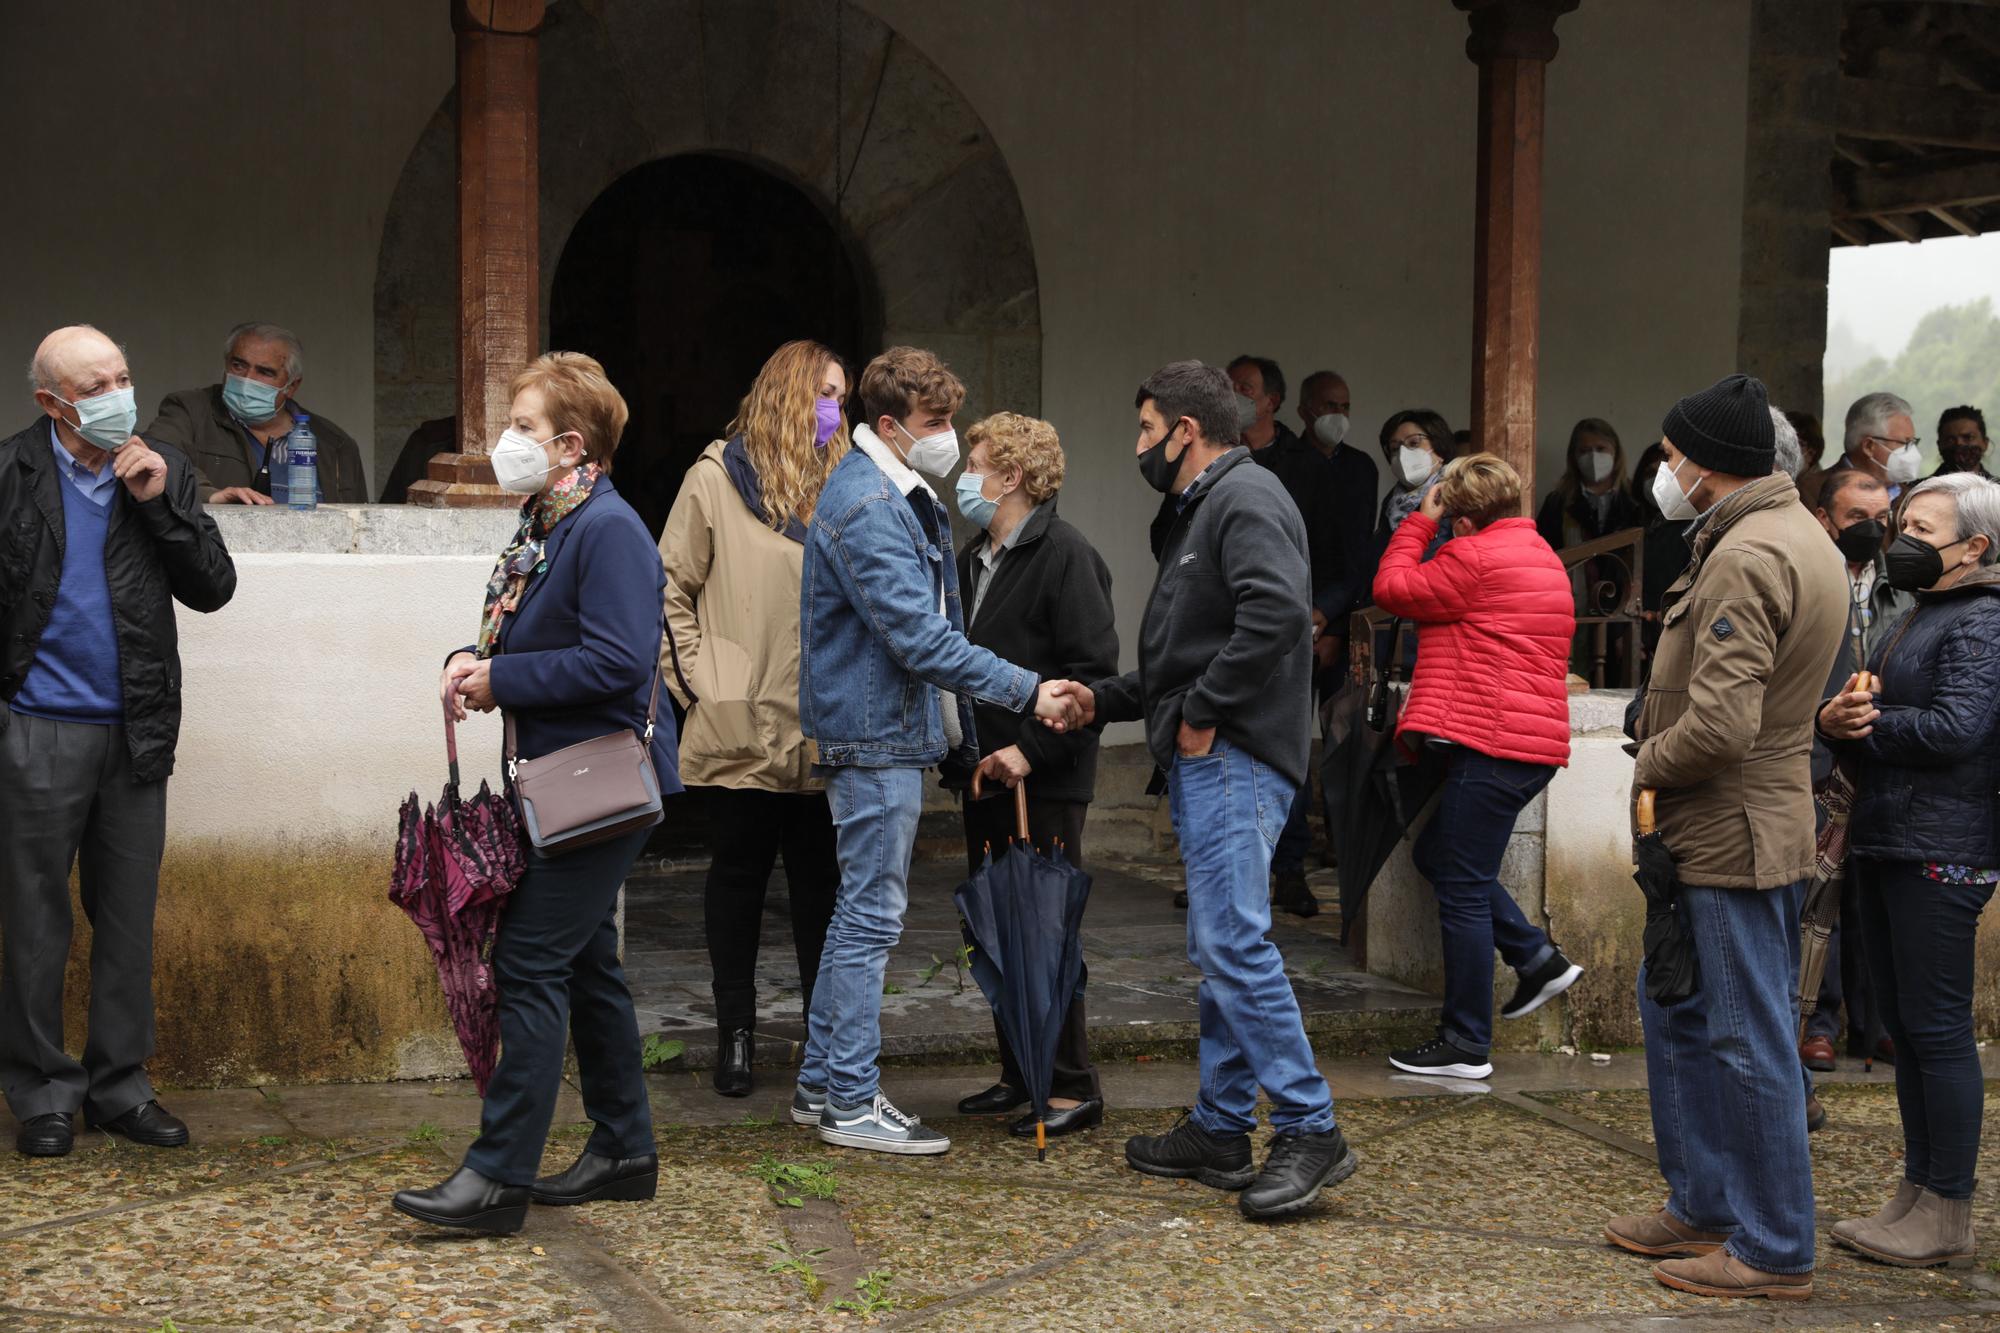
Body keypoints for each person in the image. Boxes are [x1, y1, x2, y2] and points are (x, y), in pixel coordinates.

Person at [1048, 360, 1356, 1221]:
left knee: (1232, 944)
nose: (1140, 444)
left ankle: (1310, 1124)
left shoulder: (1244, 498)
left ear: (1187, 429)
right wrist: (1101, 700)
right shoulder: (1207, 508)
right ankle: (1222, 1128)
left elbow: (1274, 617)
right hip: (1220, 753)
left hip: (1236, 755)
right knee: (1224, 946)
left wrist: (1206, 711)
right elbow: (1185, 660)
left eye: (1148, 429)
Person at [395, 352, 681, 1233]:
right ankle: (625, 1149)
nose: (504, 440)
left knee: (527, 960)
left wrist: (502, 679)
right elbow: (527, 632)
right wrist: (469, 659)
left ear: (568, 443)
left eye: (520, 426)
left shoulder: (608, 529)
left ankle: (497, 1176)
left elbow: (618, 661)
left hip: (598, 780)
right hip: (560, 779)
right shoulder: (548, 524)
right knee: (586, 960)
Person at [793, 346, 1077, 1157]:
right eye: (935, 423)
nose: (948, 436)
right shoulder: (871, 504)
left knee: (860, 913)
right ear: (889, 426)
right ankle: (849, 1097)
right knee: (870, 919)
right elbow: (921, 639)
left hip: (881, 733)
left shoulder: (886, 490)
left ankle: (822, 1084)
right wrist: (1027, 691)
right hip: (875, 739)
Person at [1604, 373, 1847, 1302]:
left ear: (1707, 463)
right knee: (1676, 1008)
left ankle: (1775, 1243)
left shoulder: (1750, 551)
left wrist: (1645, 761)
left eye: (1670, 455)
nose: (1663, 470)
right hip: (1728, 823)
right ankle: (1703, 1200)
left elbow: (1722, 726)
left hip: (1731, 825)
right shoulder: (1783, 533)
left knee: (1745, 1036)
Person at [1, 325, 237, 1159]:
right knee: (33, 919)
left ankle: (120, 1086)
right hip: (35, 725)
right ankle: (41, 1093)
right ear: (51, 404)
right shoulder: (11, 473)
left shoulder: (163, 468)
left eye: (123, 377)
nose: (116, 396)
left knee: (127, 916)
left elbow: (214, 587)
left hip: (134, 726)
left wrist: (157, 501)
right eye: (95, 385)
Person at [1818, 472, 2000, 1269]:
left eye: (1924, 530)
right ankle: (1917, 1191)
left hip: (1945, 846)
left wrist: (1870, 723)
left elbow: (1959, 727)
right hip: (1894, 837)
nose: (1903, 543)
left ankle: (1947, 1208)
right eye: (1904, 526)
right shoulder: (1929, 611)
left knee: (1937, 1029)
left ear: (1975, 547)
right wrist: (1842, 716)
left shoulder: (1983, 619)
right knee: (1907, 1027)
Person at [660, 341, 848, 1098]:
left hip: (824, 724)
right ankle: (734, 1033)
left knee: (821, 888)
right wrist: (711, 688)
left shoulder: (846, 483)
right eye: (826, 392)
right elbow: (669, 589)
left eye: (844, 395)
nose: (837, 408)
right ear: (790, 393)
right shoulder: (714, 478)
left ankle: (823, 1040)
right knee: (737, 879)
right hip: (743, 721)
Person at [1372, 453, 1583, 1079]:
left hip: (1494, 746)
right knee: (1438, 857)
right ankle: (1535, 958)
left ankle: (1465, 1042)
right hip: (1525, 747)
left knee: (1460, 887)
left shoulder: (1472, 557)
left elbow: (1391, 590)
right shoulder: (1539, 554)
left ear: (1461, 520)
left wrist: (1416, 523)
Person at [950, 412, 1118, 1139]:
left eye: (976, 463)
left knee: (1046, 929)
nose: (965, 476)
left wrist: (1029, 748)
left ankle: (1071, 1083)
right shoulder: (969, 559)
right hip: (984, 775)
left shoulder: (1065, 554)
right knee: (996, 926)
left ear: (1012, 476)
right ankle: (1022, 1071)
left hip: (1040, 777)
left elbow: (1090, 678)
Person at [1800, 470, 1907, 1074]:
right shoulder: (1813, 576)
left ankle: (1875, 1025)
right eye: (1857, 518)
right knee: (1821, 898)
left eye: (1880, 518)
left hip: (1884, 753)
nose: (1872, 530)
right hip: (1822, 752)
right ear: (1824, 519)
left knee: (1875, 897)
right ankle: (1818, 1023)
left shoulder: (1902, 584)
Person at [143, 322, 368, 505]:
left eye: (264, 372)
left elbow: (359, 523)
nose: (247, 379)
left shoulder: (334, 443)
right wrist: (210, 495)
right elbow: (156, 457)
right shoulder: (190, 410)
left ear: (291, 386)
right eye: (239, 365)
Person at [1537, 419, 1644, 679]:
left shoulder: (1634, 502)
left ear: (1616, 453)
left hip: (1621, 614)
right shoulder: (1558, 502)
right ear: (1573, 457)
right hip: (1570, 609)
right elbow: (1542, 557)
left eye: (1601, 449)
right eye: (1584, 451)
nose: (1593, 457)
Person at [1818, 391, 1922, 504]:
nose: (1913, 452)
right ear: (1868, 447)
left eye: (1913, 443)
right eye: (1905, 443)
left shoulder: (1912, 499)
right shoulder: (1813, 492)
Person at [1933, 406, 1991, 479]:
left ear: (1985, 443)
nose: (1959, 443)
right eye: (1950, 440)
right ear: (1939, 445)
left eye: (1968, 437)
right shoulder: (1919, 489)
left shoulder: (1997, 488)